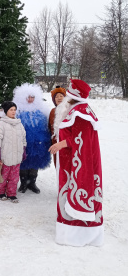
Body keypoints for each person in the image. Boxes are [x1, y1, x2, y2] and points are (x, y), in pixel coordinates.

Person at [49, 79, 103, 247]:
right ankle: (73, 233)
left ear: (72, 96)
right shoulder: (77, 109)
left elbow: (81, 140)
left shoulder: (81, 113)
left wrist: (60, 144)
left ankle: (76, 236)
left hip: (77, 165)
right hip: (70, 163)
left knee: (76, 195)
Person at [13, 83, 51, 194]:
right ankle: (24, 183)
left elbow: (46, 125)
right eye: (28, 97)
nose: (30, 99)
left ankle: (32, 182)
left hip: (38, 141)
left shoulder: (42, 109)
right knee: (23, 161)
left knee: (35, 161)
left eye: (32, 97)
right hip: (23, 141)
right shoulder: (17, 110)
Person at [0, 101, 26, 203]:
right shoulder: (2, 124)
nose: (13, 112)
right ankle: (1, 192)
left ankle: (12, 194)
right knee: (3, 176)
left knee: (14, 178)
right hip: (5, 156)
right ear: (6, 111)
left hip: (17, 156)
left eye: (14, 110)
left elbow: (23, 138)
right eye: (11, 110)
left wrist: (23, 150)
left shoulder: (19, 124)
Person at [48, 86, 66, 167]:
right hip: (55, 145)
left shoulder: (70, 110)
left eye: (61, 96)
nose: (59, 98)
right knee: (58, 167)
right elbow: (49, 128)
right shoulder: (52, 112)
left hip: (66, 144)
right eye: (56, 96)